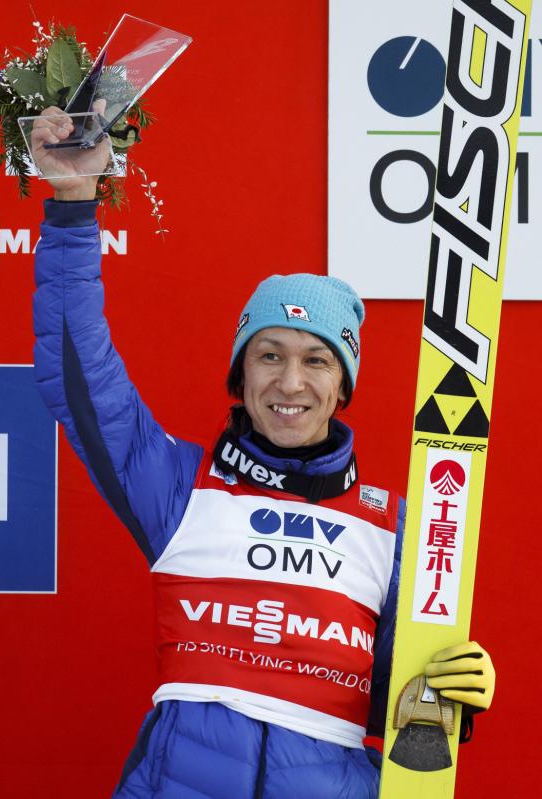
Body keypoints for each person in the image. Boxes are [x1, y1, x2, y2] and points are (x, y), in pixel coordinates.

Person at [31, 109, 495, 798]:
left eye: (316, 360)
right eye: (268, 355)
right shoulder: (179, 488)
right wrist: (72, 207)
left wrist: (454, 690)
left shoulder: (397, 530)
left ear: (344, 385)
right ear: (241, 376)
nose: (290, 382)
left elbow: (404, 712)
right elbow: (78, 372)